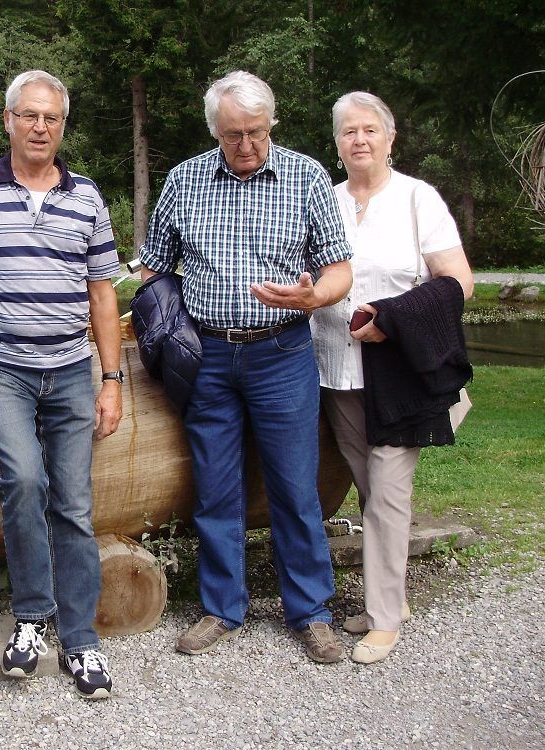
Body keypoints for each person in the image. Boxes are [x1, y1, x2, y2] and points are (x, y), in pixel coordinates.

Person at [139, 70, 354, 664]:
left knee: (293, 488)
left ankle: (310, 612)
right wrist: (165, 329)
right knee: (215, 488)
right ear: (214, 130)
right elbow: (155, 268)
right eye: (233, 134)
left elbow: (339, 268)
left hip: (282, 352)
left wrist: (314, 297)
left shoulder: (306, 176)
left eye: (256, 132)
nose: (246, 145)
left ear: (271, 125)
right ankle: (221, 608)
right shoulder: (184, 181)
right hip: (207, 356)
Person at [0, 70, 123, 700]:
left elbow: (103, 293)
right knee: (23, 480)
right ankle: (30, 618)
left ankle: (80, 639)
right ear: (8, 120)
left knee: (73, 501)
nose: (40, 127)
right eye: (29, 116)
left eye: (51, 118)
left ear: (62, 125)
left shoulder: (88, 198)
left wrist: (111, 379)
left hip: (73, 369)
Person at [311, 92, 474, 664]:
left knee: (387, 494)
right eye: (348, 132)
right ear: (337, 144)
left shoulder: (416, 199)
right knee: (371, 486)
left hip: (397, 373)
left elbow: (458, 280)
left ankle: (383, 618)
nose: (359, 140)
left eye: (369, 130)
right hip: (334, 368)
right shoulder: (323, 201)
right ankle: (394, 596)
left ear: (389, 137)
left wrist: (393, 318)